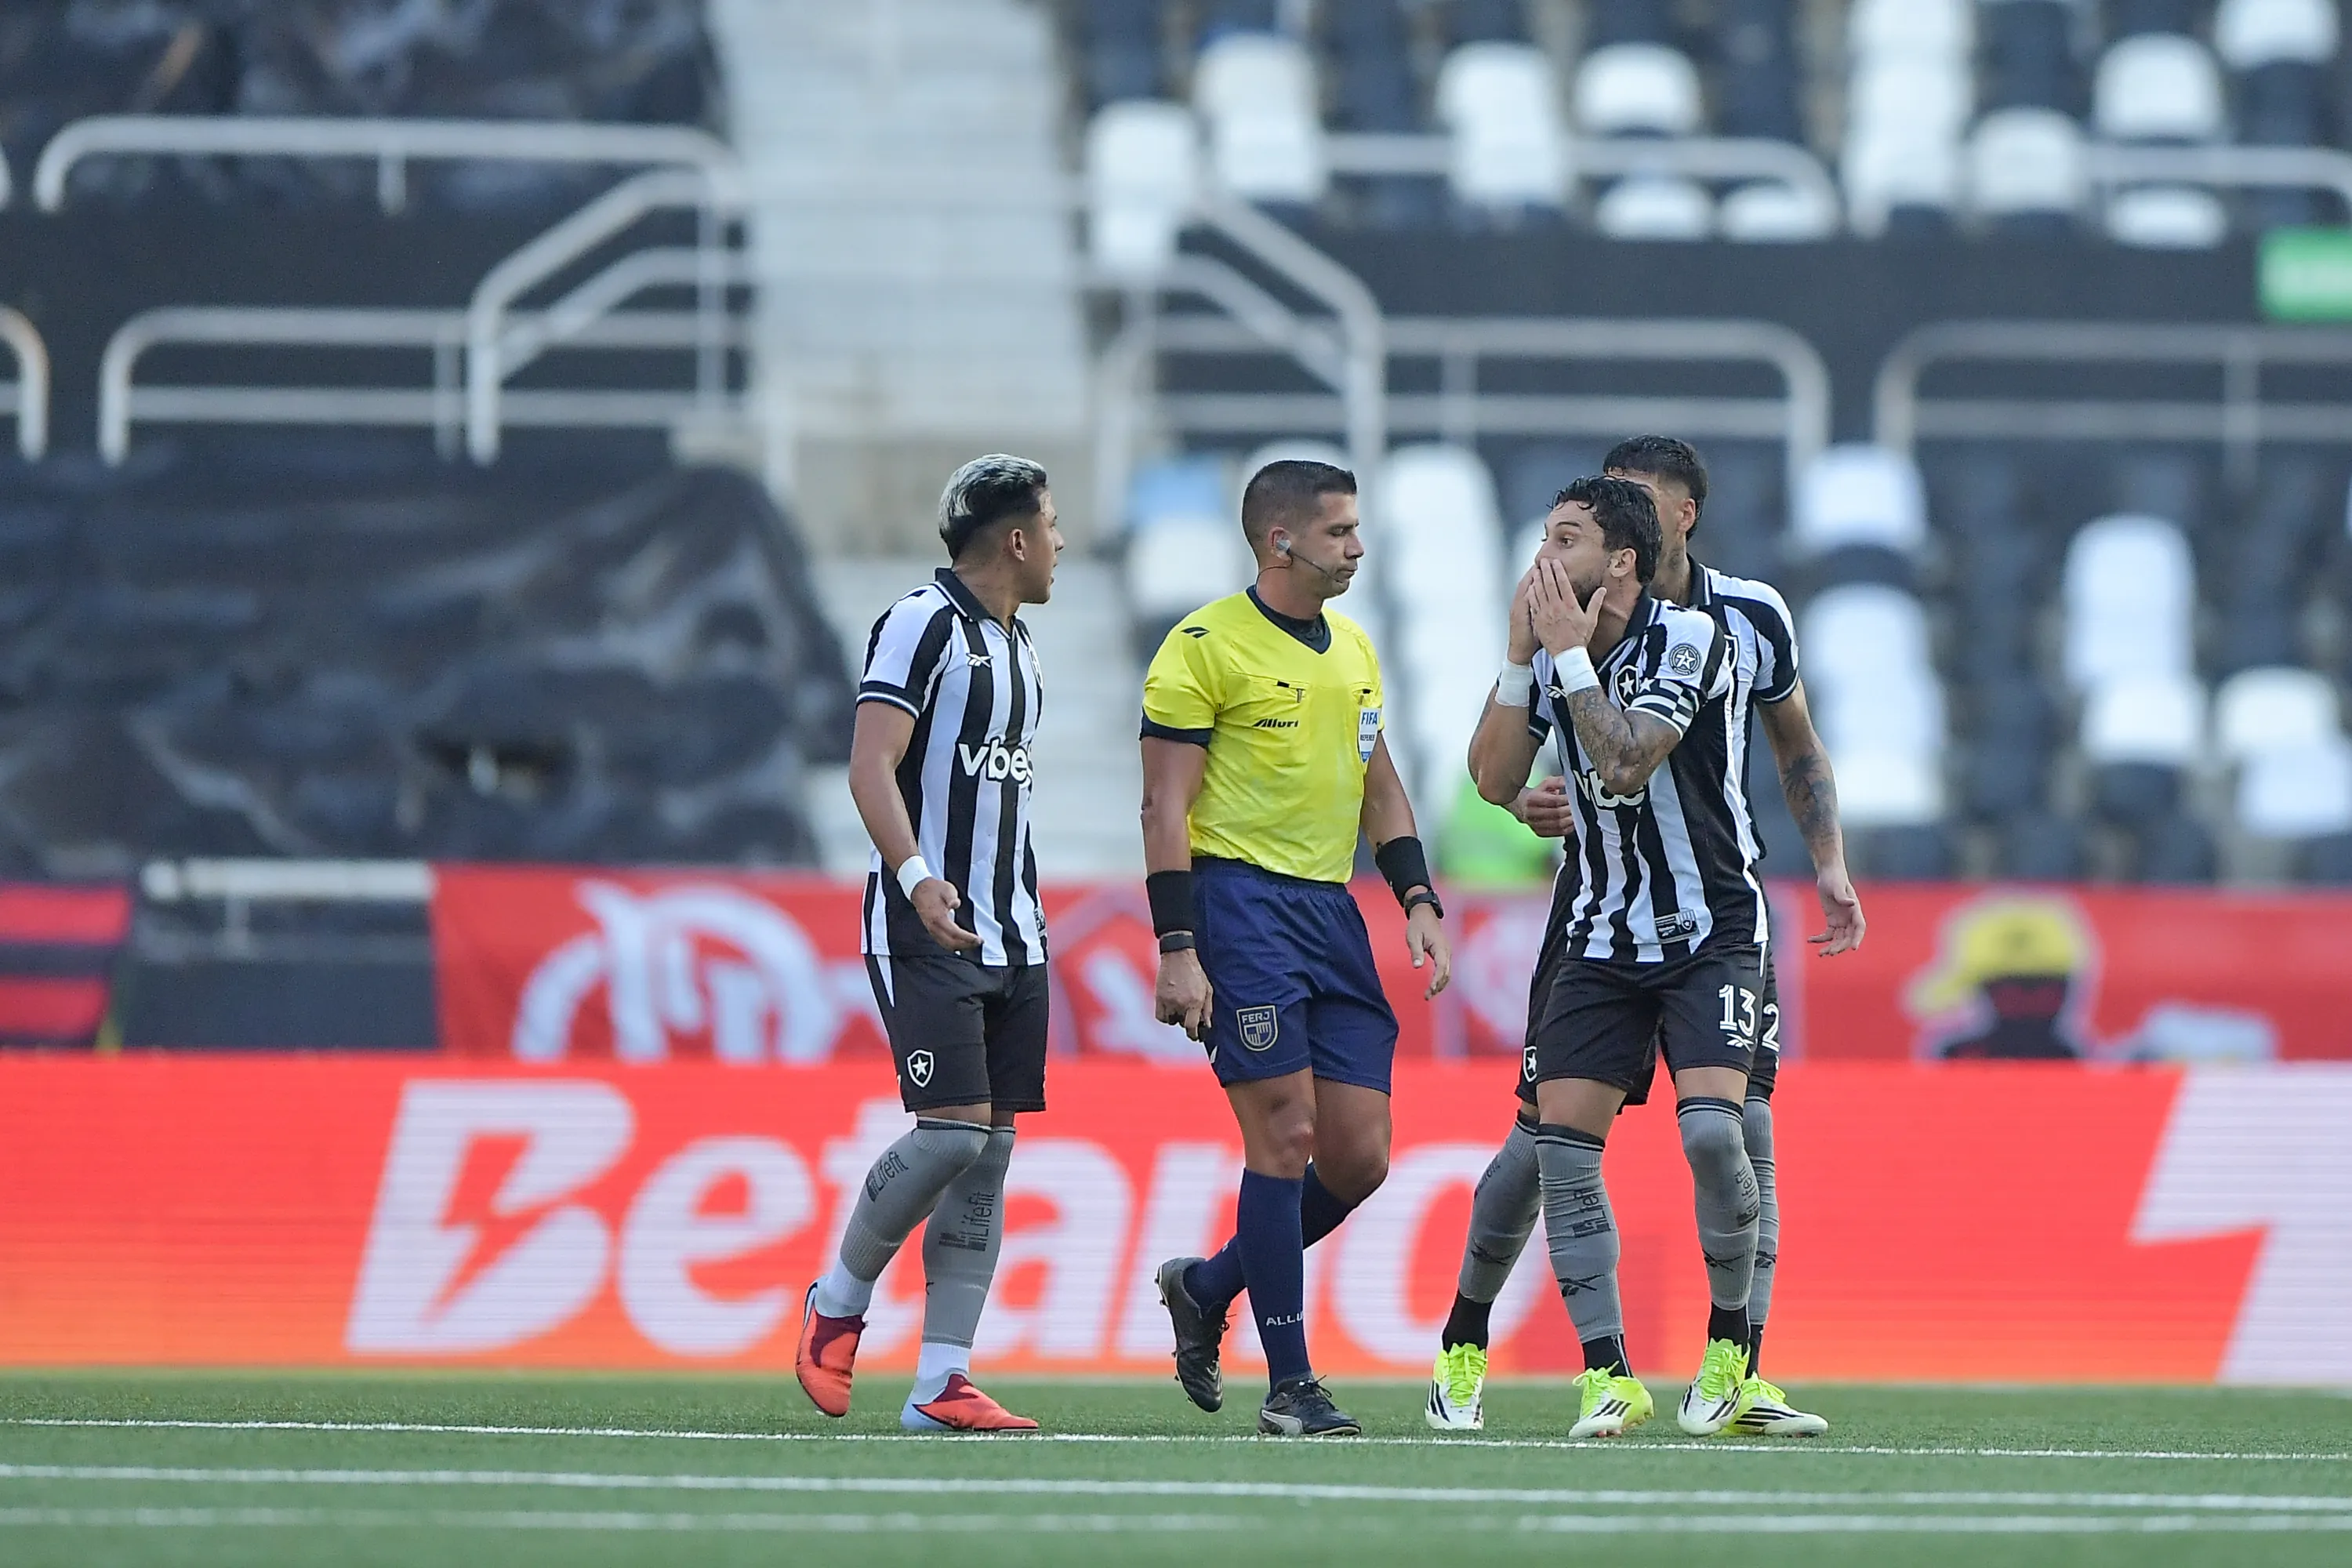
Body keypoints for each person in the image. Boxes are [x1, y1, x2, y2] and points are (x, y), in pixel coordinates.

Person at [1428, 443, 1864, 1439]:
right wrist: (1522, 662)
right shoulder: (1557, 639)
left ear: (1661, 529)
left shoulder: (1716, 627)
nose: (1544, 557)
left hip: (1715, 919)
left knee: (1728, 1131)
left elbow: (1643, 760)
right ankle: (1518, 1352)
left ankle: (1732, 1360)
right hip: (1594, 921)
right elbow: (1494, 780)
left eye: (1567, 537)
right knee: (1544, 1145)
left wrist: (1830, 862)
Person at [1138, 458, 1453, 1438]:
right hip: (1237, 903)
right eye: (1339, 531)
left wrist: (1417, 895)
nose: (1358, 547)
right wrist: (1178, 946)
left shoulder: (1353, 647)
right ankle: (1291, 1384)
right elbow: (1164, 806)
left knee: (1359, 1157)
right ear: (1281, 540)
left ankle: (1205, 1286)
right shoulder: (1202, 648)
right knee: (1283, 1133)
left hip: (1329, 909)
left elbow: (1380, 786)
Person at [795, 455, 1062, 1435]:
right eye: (1052, 524)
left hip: (1014, 931)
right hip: (925, 923)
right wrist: (916, 875)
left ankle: (941, 1380)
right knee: (950, 1131)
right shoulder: (922, 622)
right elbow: (870, 763)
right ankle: (836, 1303)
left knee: (989, 1152)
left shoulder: (1021, 646)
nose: (1063, 542)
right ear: (1017, 539)